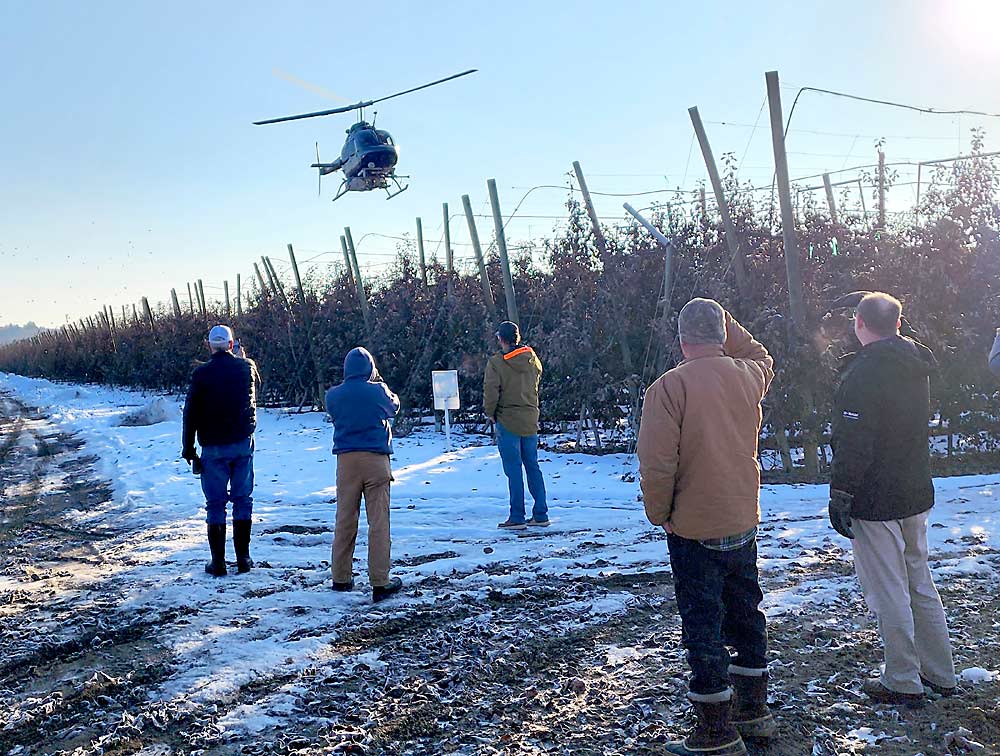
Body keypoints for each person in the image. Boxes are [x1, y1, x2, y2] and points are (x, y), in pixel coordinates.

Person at [638, 298, 775, 756]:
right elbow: (761, 354)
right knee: (746, 612)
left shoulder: (668, 388)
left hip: (693, 528)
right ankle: (754, 712)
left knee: (703, 624)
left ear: (681, 341)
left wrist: (661, 516)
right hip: (742, 518)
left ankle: (715, 732)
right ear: (721, 335)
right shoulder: (749, 375)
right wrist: (725, 320)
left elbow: (657, 466)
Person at [829, 292, 956, 706]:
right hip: (915, 488)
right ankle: (940, 672)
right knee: (919, 581)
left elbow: (855, 443)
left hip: (877, 496)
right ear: (898, 324)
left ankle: (902, 678)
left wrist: (841, 492)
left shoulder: (863, 373)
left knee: (889, 589)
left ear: (859, 323)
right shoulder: (916, 364)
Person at [182, 324, 262, 577]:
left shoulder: (201, 374)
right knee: (242, 500)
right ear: (231, 345)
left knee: (215, 504)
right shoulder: (246, 367)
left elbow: (191, 414)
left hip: (213, 445)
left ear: (209, 346)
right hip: (241, 442)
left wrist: (188, 448)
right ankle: (244, 559)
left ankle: (218, 562)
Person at [325, 347, 403, 603]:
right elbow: (393, 407)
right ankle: (380, 581)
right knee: (378, 522)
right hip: (376, 460)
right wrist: (380, 383)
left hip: (346, 461)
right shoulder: (377, 391)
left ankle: (341, 577)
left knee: (345, 518)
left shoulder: (333, 395)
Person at [483, 320, 548, 530]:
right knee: (533, 466)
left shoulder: (496, 363)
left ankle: (517, 516)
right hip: (530, 418)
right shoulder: (533, 359)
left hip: (508, 419)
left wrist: (490, 413)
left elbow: (491, 391)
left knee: (513, 470)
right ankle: (541, 513)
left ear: (501, 339)